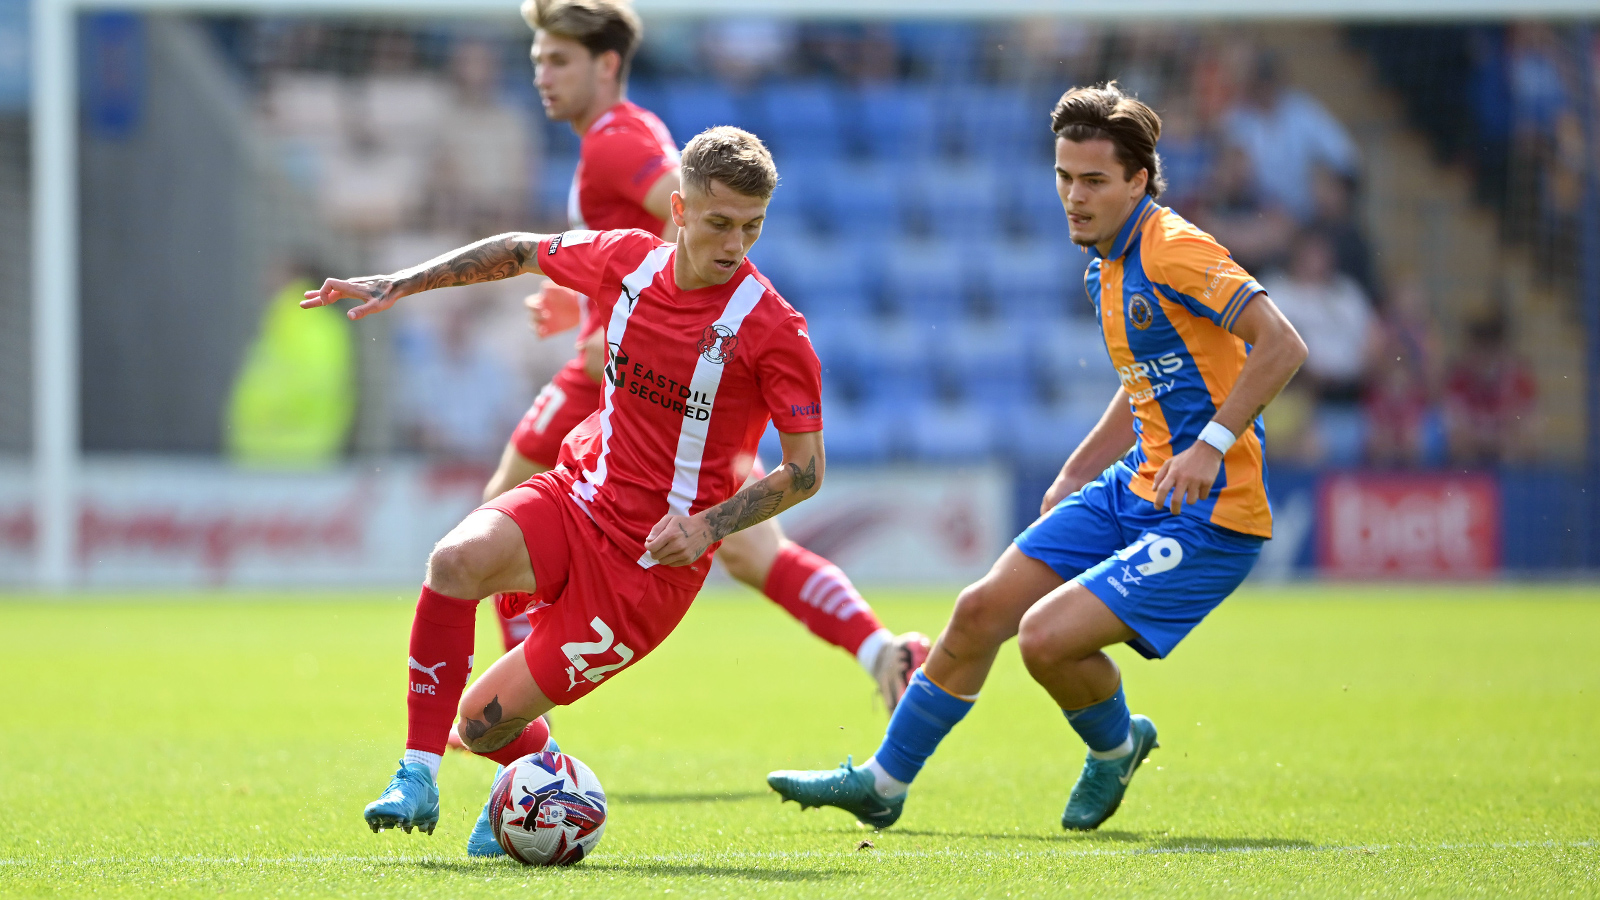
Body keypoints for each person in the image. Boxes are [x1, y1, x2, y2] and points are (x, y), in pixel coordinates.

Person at [767, 82, 1307, 832]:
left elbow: (1282, 343)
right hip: (1134, 488)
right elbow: (1144, 381)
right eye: (1063, 177)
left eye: (1093, 181)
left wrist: (1213, 445)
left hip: (1211, 516)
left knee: (1047, 640)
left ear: (1138, 181)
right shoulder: (1105, 266)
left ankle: (1116, 751)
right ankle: (882, 785)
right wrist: (1080, 469)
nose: (1073, 197)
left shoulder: (1175, 248)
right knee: (980, 610)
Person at [306, 127, 831, 847]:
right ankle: (415, 774)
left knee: (482, 726)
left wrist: (708, 527)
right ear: (679, 211)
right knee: (454, 561)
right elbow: (523, 251)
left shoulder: (774, 331)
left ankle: (548, 774)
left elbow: (805, 470)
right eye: (719, 223)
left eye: (752, 227)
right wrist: (402, 281)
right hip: (577, 495)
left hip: (647, 570)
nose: (735, 244)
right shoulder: (626, 262)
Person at [486, 0, 927, 700]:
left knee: (504, 507)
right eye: (538, 59)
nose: (543, 74)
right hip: (668, 379)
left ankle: (523, 727)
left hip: (629, 376)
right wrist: (585, 299)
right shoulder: (620, 133)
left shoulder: (613, 140)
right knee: (751, 551)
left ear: (606, 66)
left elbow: (675, 210)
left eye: (558, 60)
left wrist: (637, 317)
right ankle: (883, 652)